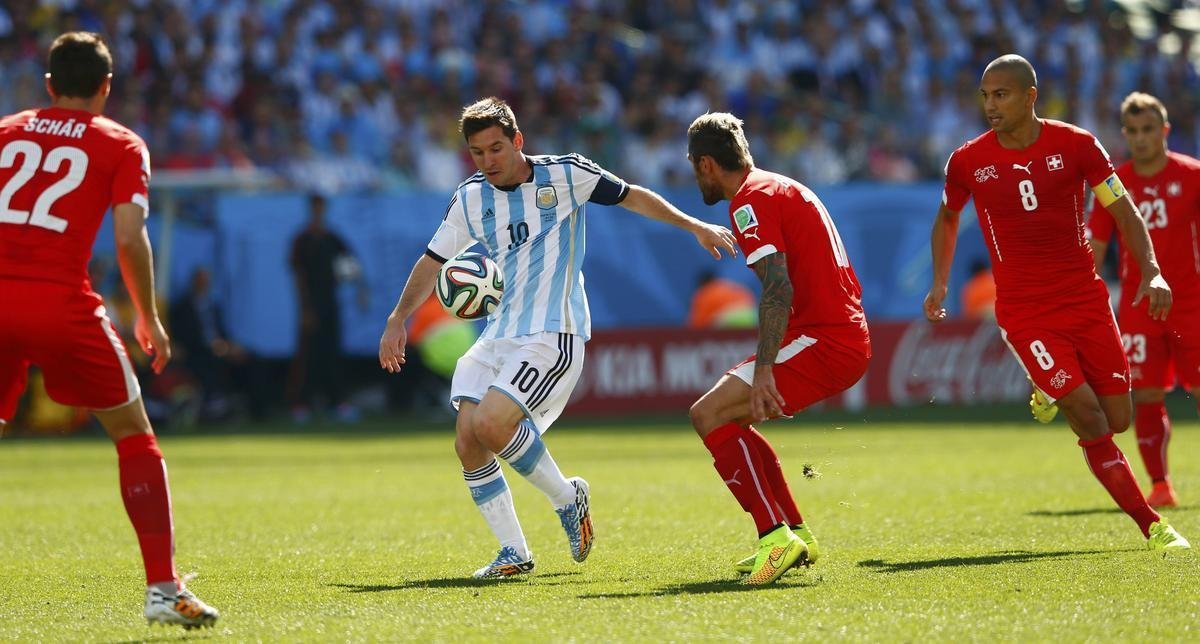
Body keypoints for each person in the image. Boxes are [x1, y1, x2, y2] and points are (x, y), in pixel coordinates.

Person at [378, 97, 737, 578]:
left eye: (497, 148)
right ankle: (514, 552)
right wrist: (398, 317)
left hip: (554, 330)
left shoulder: (566, 174)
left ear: (517, 141)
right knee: (468, 440)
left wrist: (693, 225)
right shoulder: (469, 198)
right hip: (498, 334)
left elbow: (631, 195)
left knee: (492, 423)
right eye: (478, 153)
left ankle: (569, 498)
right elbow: (432, 260)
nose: (489, 161)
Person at [924, 55, 1188, 550]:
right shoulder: (967, 160)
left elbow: (1124, 210)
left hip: (1086, 301)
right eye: (984, 95)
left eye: (1000, 94)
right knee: (1088, 419)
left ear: (1030, 96)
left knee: (1118, 418)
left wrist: (1151, 269)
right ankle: (1152, 524)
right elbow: (947, 217)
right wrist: (940, 282)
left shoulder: (1077, 145)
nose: (990, 105)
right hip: (1025, 312)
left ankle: (1049, 390)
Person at [0, 32, 219, 627]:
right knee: (133, 435)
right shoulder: (120, 142)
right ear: (105, 87)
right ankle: (163, 591)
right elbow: (127, 236)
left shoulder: (6, 130)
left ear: (48, 84)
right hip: (61, 303)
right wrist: (148, 315)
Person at [685, 112, 872, 586]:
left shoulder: (750, 202)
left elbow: (777, 289)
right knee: (730, 418)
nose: (695, 176)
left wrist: (764, 367)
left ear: (707, 164)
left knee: (708, 415)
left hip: (825, 339)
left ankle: (774, 536)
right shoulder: (778, 186)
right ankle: (795, 533)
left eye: (693, 166)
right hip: (835, 334)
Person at [1087, 92, 1200, 509]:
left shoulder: (1193, 176)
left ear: (1165, 131)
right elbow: (1095, 247)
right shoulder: (1112, 184)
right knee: (1147, 395)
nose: (1141, 138)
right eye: (1132, 131)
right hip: (1138, 309)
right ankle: (1160, 484)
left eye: (1148, 129)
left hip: (1192, 304)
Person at [288, 193, 366, 423]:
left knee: (332, 354)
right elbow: (298, 277)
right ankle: (301, 404)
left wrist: (361, 289)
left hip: (330, 303)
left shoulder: (332, 238)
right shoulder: (302, 240)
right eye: (315, 208)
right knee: (308, 356)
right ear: (310, 209)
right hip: (311, 305)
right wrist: (305, 309)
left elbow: (351, 267)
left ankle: (337, 403)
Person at [687, 270, 757, 329]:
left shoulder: (704, 293)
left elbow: (697, 323)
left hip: (729, 321)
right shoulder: (730, 285)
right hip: (752, 317)